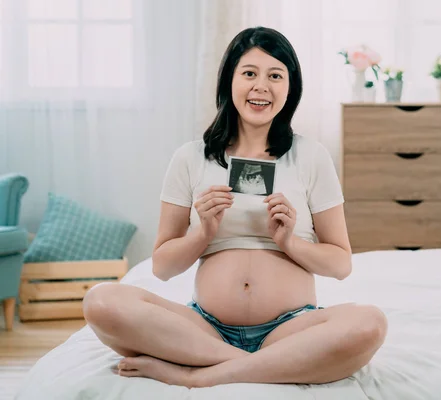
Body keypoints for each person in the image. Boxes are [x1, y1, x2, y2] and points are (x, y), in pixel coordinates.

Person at [82, 26, 388, 388]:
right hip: (204, 328)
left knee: (370, 322)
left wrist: (290, 241)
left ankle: (195, 374)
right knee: (101, 301)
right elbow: (163, 267)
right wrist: (204, 233)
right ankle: (268, 365)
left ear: (290, 88)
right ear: (230, 80)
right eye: (249, 74)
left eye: (275, 75)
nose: (261, 86)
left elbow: (341, 265)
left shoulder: (311, 156)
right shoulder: (190, 158)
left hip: (291, 328)